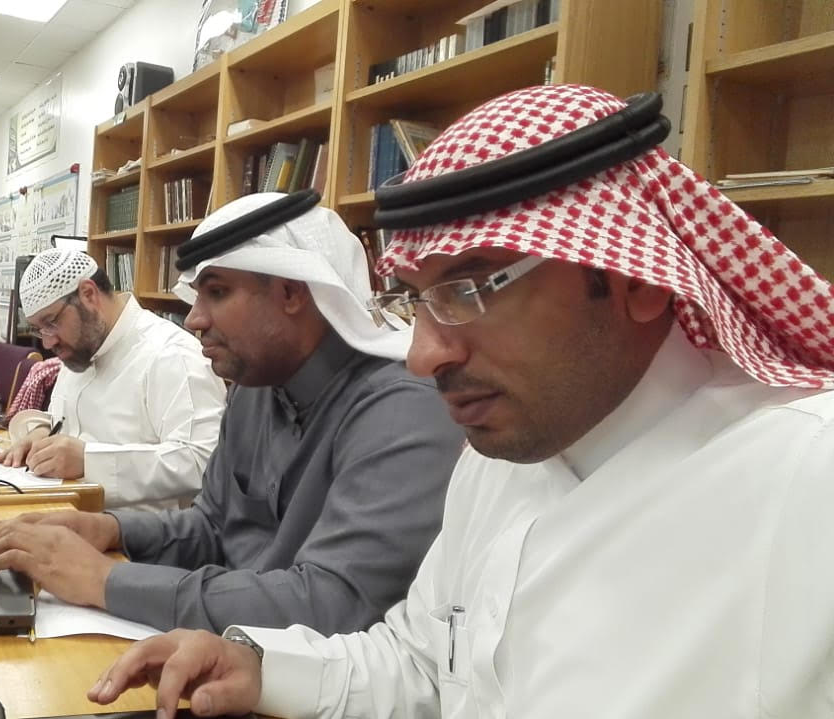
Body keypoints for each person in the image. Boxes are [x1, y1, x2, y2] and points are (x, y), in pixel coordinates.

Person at [86, 84, 834, 718]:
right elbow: (421, 663)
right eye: (416, 302)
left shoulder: (807, 480)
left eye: (469, 289)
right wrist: (261, 668)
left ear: (634, 280)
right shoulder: (500, 453)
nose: (423, 356)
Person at [0, 191, 463, 635]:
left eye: (216, 292)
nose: (194, 319)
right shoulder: (254, 386)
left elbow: (331, 603)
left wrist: (105, 580)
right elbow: (212, 526)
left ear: (291, 292)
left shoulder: (401, 407)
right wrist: (110, 529)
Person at [0, 248, 226, 511]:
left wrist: (89, 462)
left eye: (51, 322)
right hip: (60, 514)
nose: (48, 343)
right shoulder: (82, 348)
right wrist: (41, 434)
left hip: (135, 533)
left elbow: (202, 461)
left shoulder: (172, 354)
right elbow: (66, 424)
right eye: (40, 330)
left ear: (88, 294)